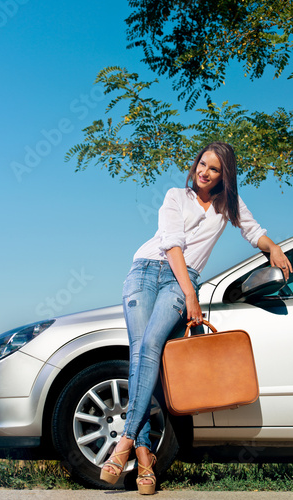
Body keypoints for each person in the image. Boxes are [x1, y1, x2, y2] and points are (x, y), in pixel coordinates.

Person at [100, 142, 292, 495]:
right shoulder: (176, 196)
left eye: (214, 169)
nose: (204, 172)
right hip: (146, 270)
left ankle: (125, 443)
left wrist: (274, 247)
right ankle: (143, 459)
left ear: (224, 175)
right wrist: (191, 294)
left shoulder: (228, 206)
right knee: (143, 351)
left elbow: (252, 230)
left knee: (151, 347)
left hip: (182, 276)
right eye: (202, 164)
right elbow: (172, 244)